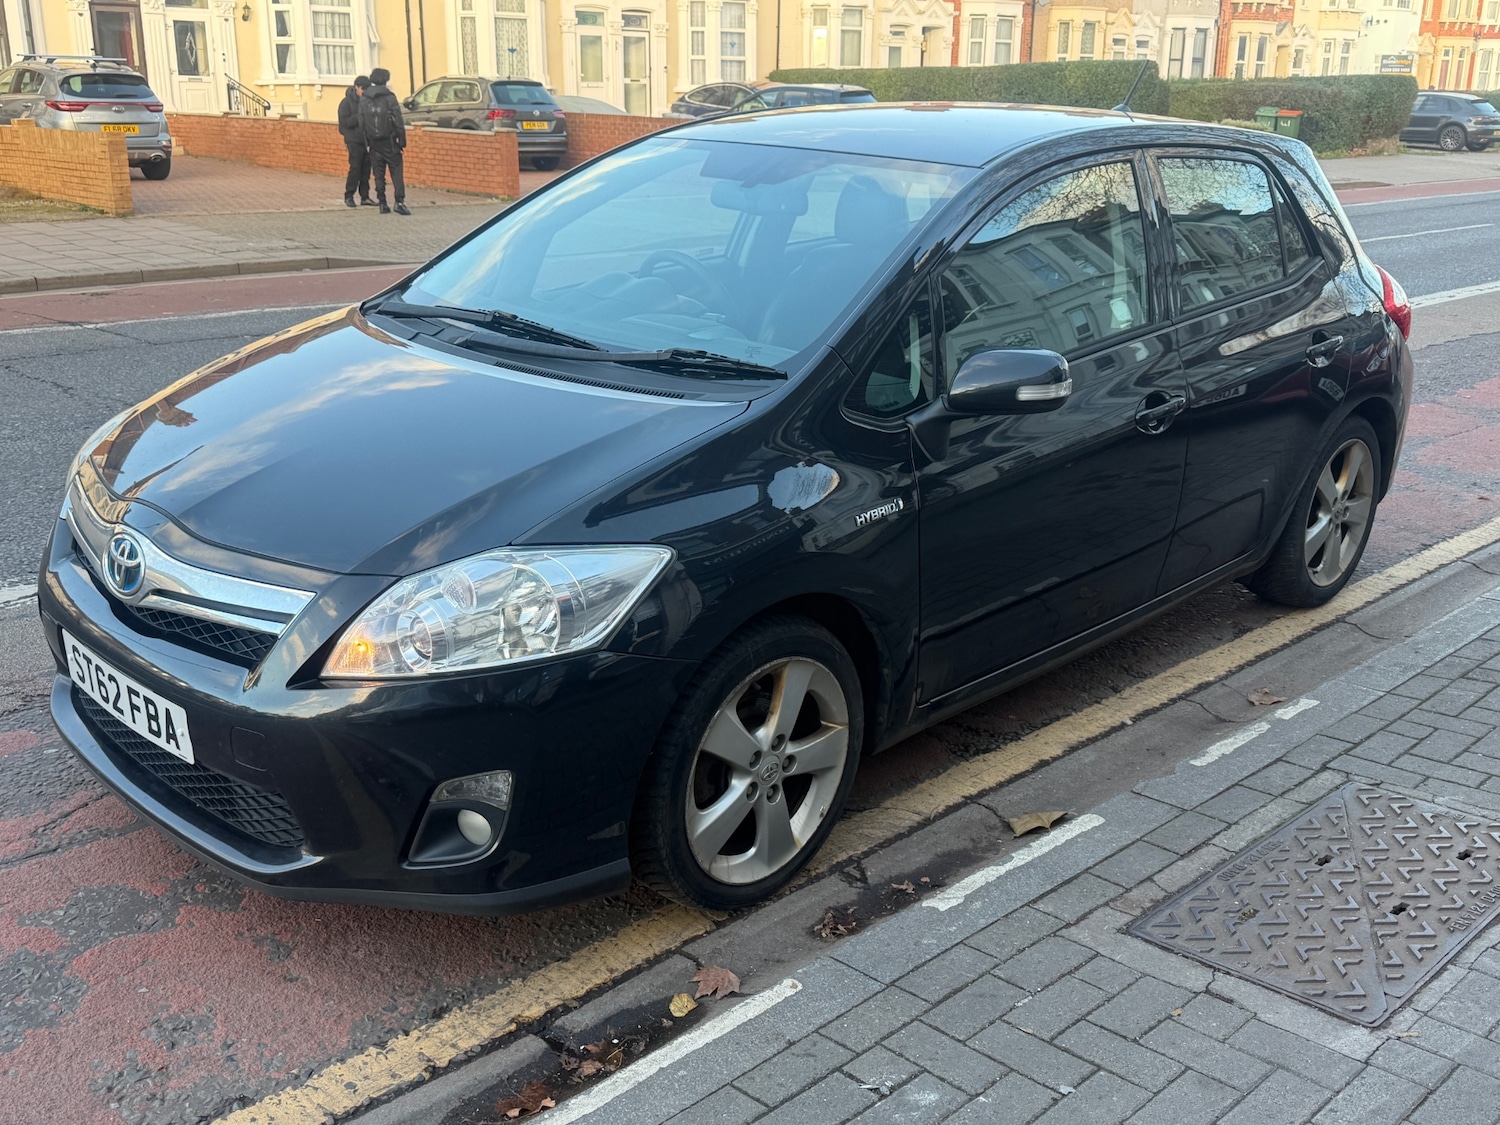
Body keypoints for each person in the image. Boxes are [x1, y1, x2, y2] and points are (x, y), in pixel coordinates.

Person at [360, 68, 410, 216]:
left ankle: (382, 203)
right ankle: (399, 202)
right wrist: (402, 141)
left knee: (378, 173)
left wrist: (366, 143)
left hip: (374, 142)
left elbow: (361, 122)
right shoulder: (389, 97)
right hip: (390, 140)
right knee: (396, 172)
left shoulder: (364, 98)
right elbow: (398, 120)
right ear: (386, 79)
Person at [338, 75, 374, 208]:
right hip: (353, 140)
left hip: (367, 140)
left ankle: (365, 196)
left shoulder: (369, 101)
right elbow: (343, 124)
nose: (364, 92)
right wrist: (359, 117)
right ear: (356, 87)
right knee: (355, 168)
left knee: (366, 170)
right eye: (362, 89)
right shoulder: (346, 103)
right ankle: (349, 195)